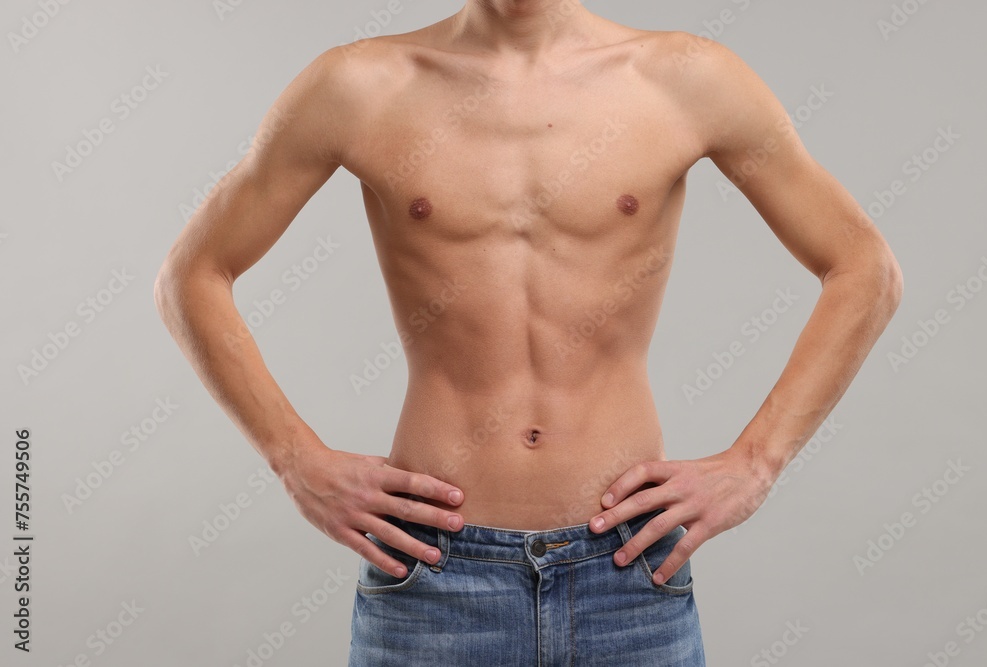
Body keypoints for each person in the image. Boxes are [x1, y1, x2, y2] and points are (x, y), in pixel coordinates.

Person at [154, 1, 903, 664]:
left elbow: (864, 266)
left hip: (627, 576)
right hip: (433, 579)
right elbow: (192, 275)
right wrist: (295, 460)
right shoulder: (362, 85)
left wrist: (756, 462)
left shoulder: (683, 77)